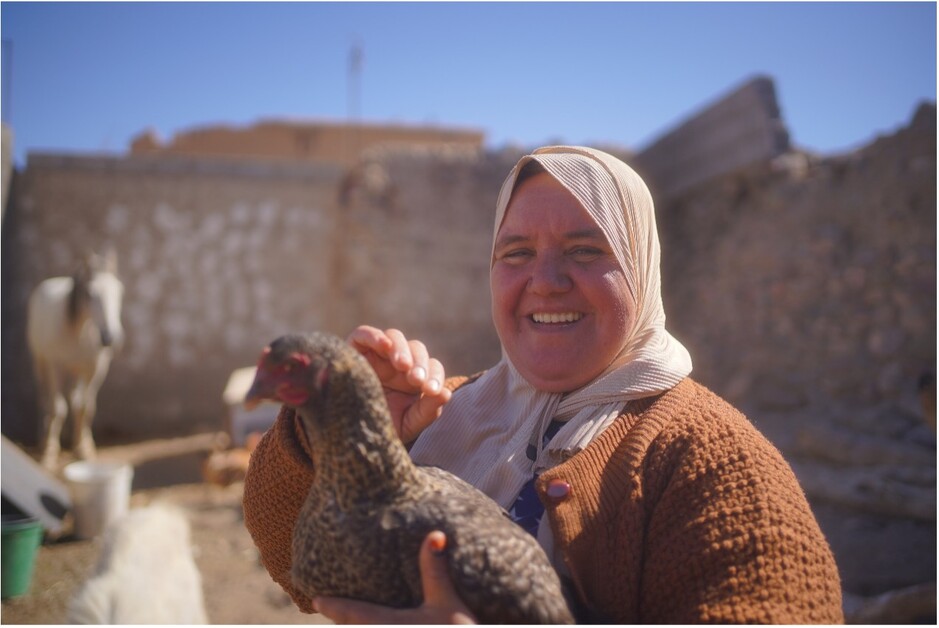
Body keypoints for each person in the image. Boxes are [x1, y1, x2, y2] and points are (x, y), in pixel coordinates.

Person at [242, 146, 844, 623]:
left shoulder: (714, 462)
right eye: (516, 253)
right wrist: (343, 427)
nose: (547, 280)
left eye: (585, 250)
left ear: (640, 266)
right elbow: (289, 557)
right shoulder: (443, 408)